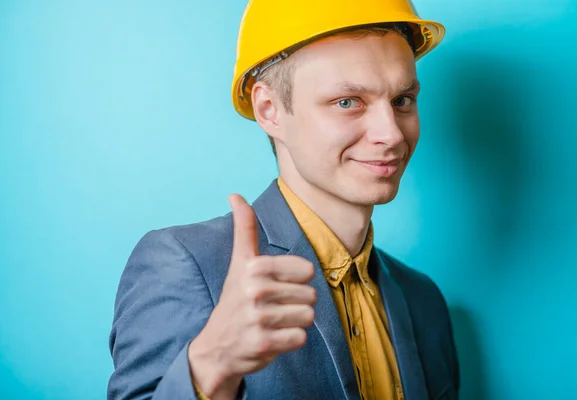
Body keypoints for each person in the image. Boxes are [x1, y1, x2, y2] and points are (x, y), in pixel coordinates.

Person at [108, 0, 459, 399]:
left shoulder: (423, 300)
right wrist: (209, 367)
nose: (392, 134)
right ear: (269, 109)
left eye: (402, 101)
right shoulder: (184, 265)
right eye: (348, 102)